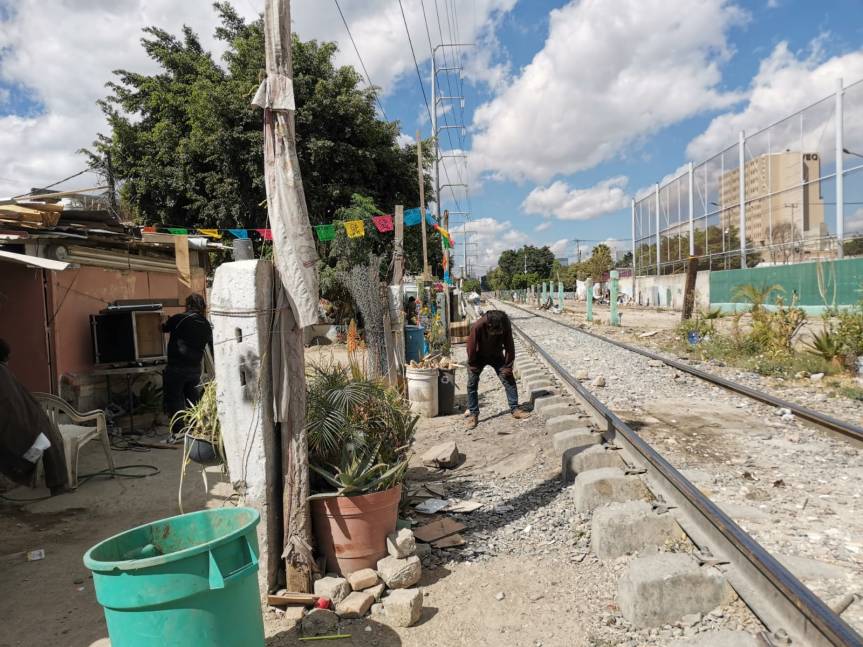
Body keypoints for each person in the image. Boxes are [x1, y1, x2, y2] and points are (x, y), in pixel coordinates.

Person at [0, 339, 68, 494]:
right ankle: (58, 485)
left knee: (45, 439)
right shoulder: (3, 373)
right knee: (47, 440)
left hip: (25, 422)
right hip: (26, 425)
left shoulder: (4, 373)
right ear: (5, 358)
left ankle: (56, 483)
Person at [465, 310, 530, 430]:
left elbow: (509, 345)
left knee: (508, 379)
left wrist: (508, 365)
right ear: (489, 325)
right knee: (472, 384)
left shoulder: (505, 323)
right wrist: (472, 363)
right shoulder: (478, 325)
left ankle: (515, 408)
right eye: (495, 331)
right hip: (478, 356)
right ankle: (473, 414)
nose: (497, 333)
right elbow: (471, 346)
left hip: (496, 355)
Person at [162, 293, 213, 442]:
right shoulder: (206, 324)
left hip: (176, 367)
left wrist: (165, 320)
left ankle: (178, 432)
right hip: (195, 369)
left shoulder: (180, 318)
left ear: (188, 305)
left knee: (175, 400)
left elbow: (164, 328)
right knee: (193, 401)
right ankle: (195, 430)